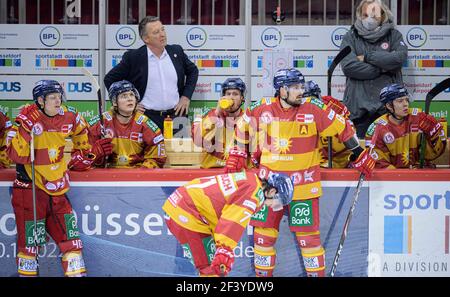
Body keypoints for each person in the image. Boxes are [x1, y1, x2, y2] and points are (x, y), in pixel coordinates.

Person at [225, 68, 375, 277]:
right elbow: (242, 126)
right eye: (295, 87)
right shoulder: (262, 108)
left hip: (303, 187)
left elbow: (344, 128)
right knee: (263, 237)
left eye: (302, 86)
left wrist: (359, 153)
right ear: (282, 90)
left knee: (309, 240)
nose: (300, 91)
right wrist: (238, 152)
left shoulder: (314, 108)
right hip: (269, 187)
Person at [6, 80, 113, 277]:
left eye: (59, 96)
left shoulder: (70, 116)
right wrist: (25, 128)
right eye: (52, 97)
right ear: (40, 100)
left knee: (72, 243)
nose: (58, 101)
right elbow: (14, 154)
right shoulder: (25, 117)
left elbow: (83, 148)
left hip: (58, 192)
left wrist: (91, 153)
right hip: (30, 192)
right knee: (29, 248)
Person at [162, 171, 294, 277]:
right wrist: (224, 248)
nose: (274, 206)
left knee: (213, 266)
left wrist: (223, 248)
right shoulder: (254, 193)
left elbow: (223, 210)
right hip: (187, 213)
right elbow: (232, 220)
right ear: (271, 192)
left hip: (185, 208)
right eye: (279, 201)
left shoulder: (251, 180)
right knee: (212, 269)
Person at [104, 16, 199, 135]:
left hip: (177, 116)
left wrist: (186, 96)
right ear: (146, 38)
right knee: (149, 153)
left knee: (180, 152)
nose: (162, 34)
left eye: (162, 29)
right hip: (147, 118)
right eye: (156, 32)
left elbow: (193, 71)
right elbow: (109, 79)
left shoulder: (176, 51)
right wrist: (130, 105)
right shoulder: (134, 57)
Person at [340, 0, 408, 139]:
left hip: (389, 110)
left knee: (390, 155)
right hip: (359, 111)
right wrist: (383, 68)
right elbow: (348, 67)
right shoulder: (351, 37)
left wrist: (367, 57)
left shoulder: (394, 36)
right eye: (365, 15)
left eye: (374, 15)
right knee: (361, 156)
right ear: (359, 15)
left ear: (383, 15)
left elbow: (398, 59)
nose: (369, 19)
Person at [88, 80, 166, 168]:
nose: (130, 98)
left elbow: (157, 158)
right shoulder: (100, 123)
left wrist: (142, 172)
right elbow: (84, 157)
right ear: (114, 102)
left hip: (136, 178)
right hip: (107, 178)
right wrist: (94, 154)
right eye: (124, 96)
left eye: (132, 95)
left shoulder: (146, 125)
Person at [366, 83, 446, 168]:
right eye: (400, 101)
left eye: (407, 100)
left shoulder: (418, 117)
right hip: (394, 178)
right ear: (389, 106)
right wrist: (404, 176)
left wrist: (435, 132)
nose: (406, 104)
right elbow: (380, 165)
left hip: (419, 174)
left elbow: (434, 153)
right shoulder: (377, 129)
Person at [192, 78, 254, 168]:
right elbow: (197, 140)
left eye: (235, 94)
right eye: (228, 94)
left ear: (242, 98)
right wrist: (216, 113)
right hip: (212, 170)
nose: (231, 97)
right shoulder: (211, 115)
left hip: (239, 171)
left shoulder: (248, 118)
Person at [303, 81, 355, 168]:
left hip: (344, 153)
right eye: (306, 100)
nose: (310, 102)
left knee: (341, 127)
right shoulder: (296, 111)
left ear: (318, 96)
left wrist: (356, 151)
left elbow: (349, 126)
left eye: (312, 99)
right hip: (321, 158)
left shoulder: (332, 103)